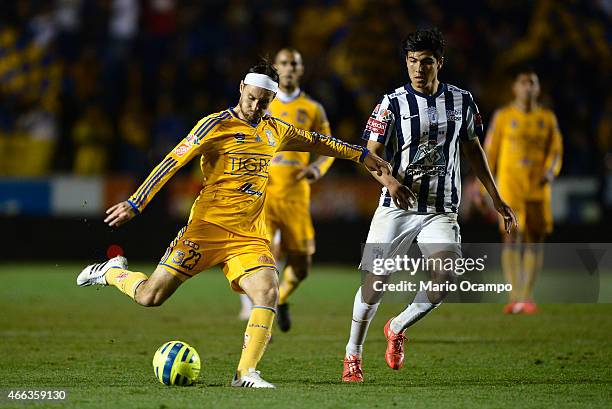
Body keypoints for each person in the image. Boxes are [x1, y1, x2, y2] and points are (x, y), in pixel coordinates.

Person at [76, 60, 391, 389]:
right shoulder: (213, 125)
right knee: (150, 297)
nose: (256, 107)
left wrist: (359, 154)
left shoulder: (275, 129)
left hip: (249, 236)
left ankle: (245, 373)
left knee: (268, 292)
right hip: (205, 230)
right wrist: (136, 202)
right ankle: (112, 272)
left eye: (264, 101)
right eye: (252, 97)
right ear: (242, 87)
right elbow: (172, 161)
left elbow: (316, 141)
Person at [340, 28, 517, 382]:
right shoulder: (391, 103)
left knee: (446, 277)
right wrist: (390, 181)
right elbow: (369, 155)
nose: (418, 69)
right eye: (411, 61)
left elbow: (473, 150)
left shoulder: (462, 101)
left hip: (440, 208)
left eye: (426, 62)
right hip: (396, 206)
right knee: (376, 282)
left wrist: (496, 197)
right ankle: (352, 355)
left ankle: (397, 326)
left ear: (440, 63)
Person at [238, 48, 335, 332]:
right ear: (276, 69)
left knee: (302, 266)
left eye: (294, 63)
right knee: (265, 254)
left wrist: (317, 169)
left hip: (295, 197)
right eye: (283, 63)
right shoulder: (262, 103)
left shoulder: (313, 109)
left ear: (301, 69)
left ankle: (277, 300)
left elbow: (328, 148)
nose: (289, 68)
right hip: (263, 195)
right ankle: (258, 310)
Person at [482, 66, 562, 314]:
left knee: (534, 240)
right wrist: (483, 182)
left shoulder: (547, 118)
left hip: (537, 189)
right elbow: (489, 150)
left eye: (533, 83)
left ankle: (527, 296)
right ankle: (514, 295)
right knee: (510, 238)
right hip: (510, 188)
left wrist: (550, 171)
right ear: (515, 88)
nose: (528, 87)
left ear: (537, 89)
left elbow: (556, 150)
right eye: (524, 83)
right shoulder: (503, 116)